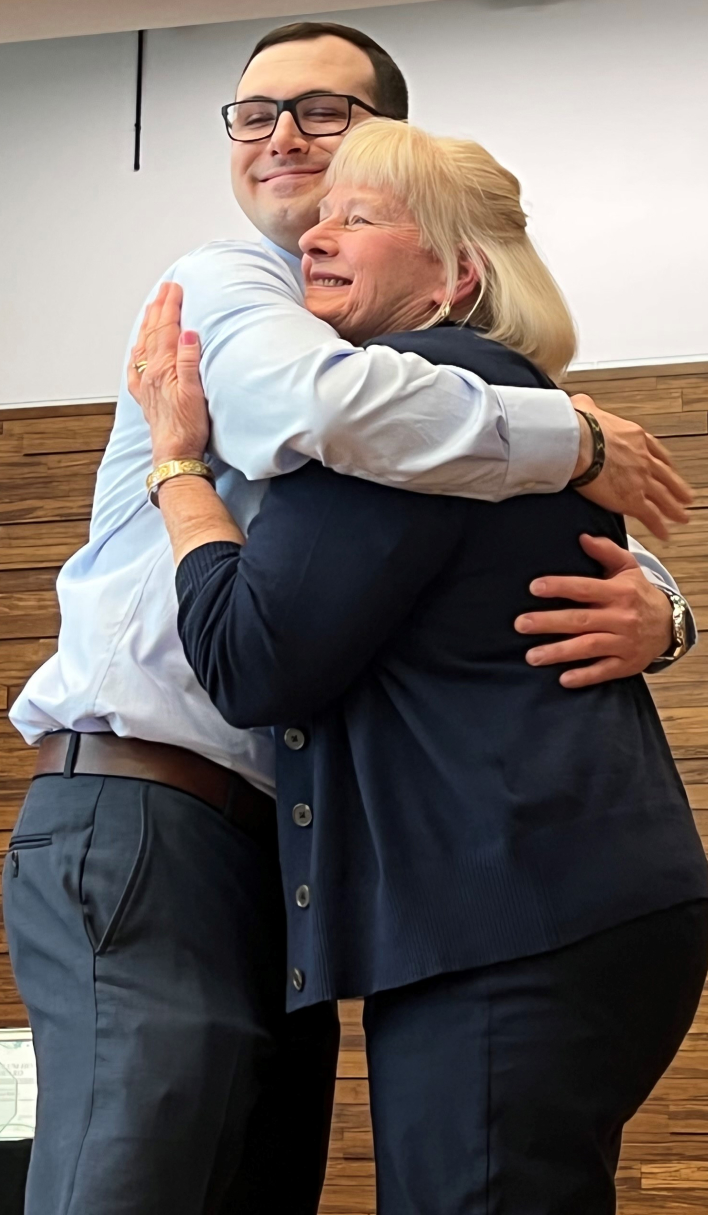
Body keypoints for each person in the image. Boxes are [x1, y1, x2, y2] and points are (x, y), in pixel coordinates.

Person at [3, 21, 695, 1215]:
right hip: (149, 805)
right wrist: (574, 437)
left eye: (324, 114)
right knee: (140, 1177)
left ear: (388, 146)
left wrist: (670, 609)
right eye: (255, 112)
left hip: (302, 848)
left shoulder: (426, 368)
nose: (283, 137)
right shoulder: (230, 288)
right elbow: (330, 411)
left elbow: (528, 539)